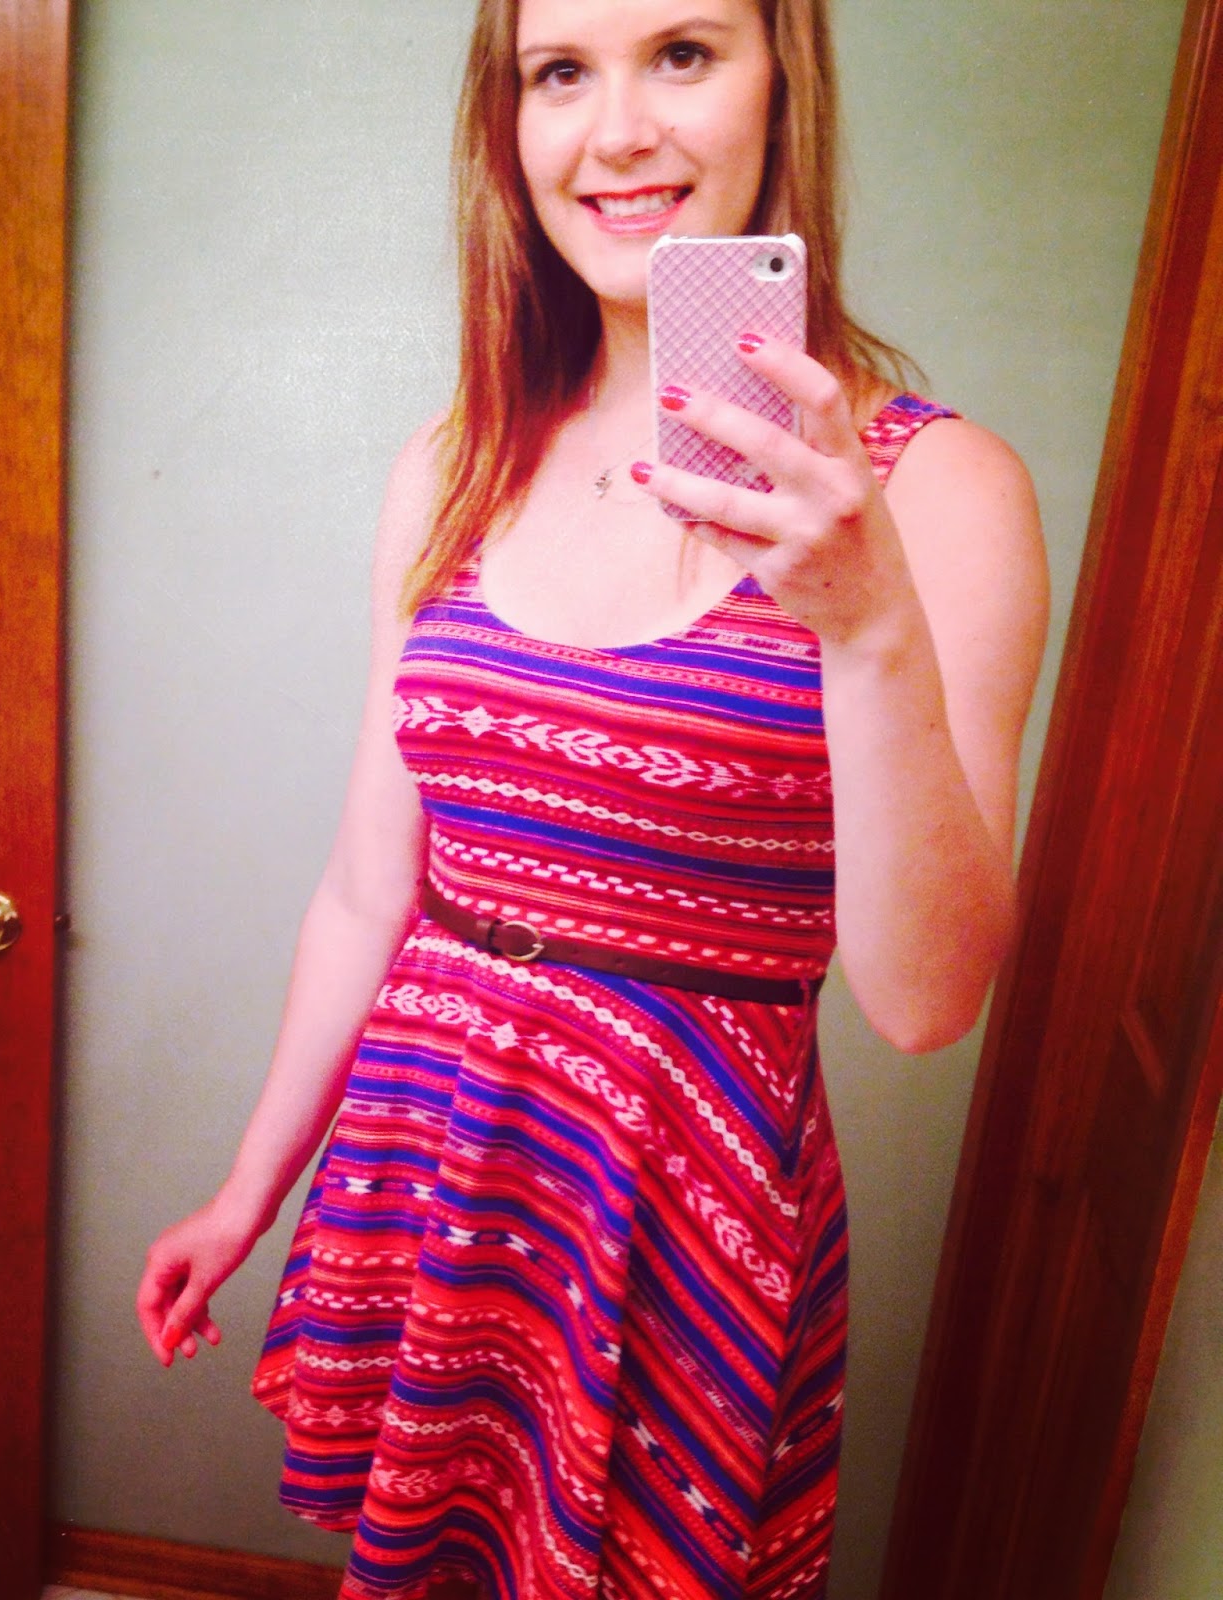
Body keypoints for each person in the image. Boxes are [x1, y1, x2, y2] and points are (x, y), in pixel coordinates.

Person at [137, 0, 1048, 1595]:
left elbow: (926, 1004)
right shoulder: (457, 461)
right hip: (433, 1157)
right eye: (560, 73)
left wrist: (869, 627)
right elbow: (369, 886)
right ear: (510, 126)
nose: (617, 132)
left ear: (782, 80)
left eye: (682, 53)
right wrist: (246, 1190)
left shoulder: (939, 489)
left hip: (668, 1215)